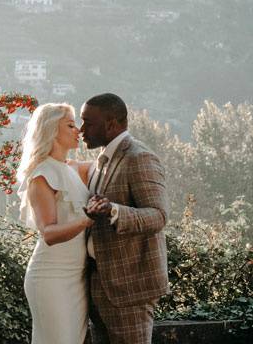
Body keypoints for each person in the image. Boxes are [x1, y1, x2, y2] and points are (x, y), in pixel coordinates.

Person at [17, 102, 110, 344]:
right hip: (51, 278)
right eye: (70, 124)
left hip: (77, 279)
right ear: (51, 129)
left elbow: (115, 165)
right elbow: (49, 233)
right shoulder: (41, 175)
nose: (78, 130)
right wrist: (87, 219)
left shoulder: (72, 169)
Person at [81, 93, 169, 344]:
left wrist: (115, 211)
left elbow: (158, 216)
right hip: (100, 286)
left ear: (111, 123)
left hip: (130, 288)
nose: (82, 129)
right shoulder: (101, 161)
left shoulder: (139, 157)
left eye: (89, 122)